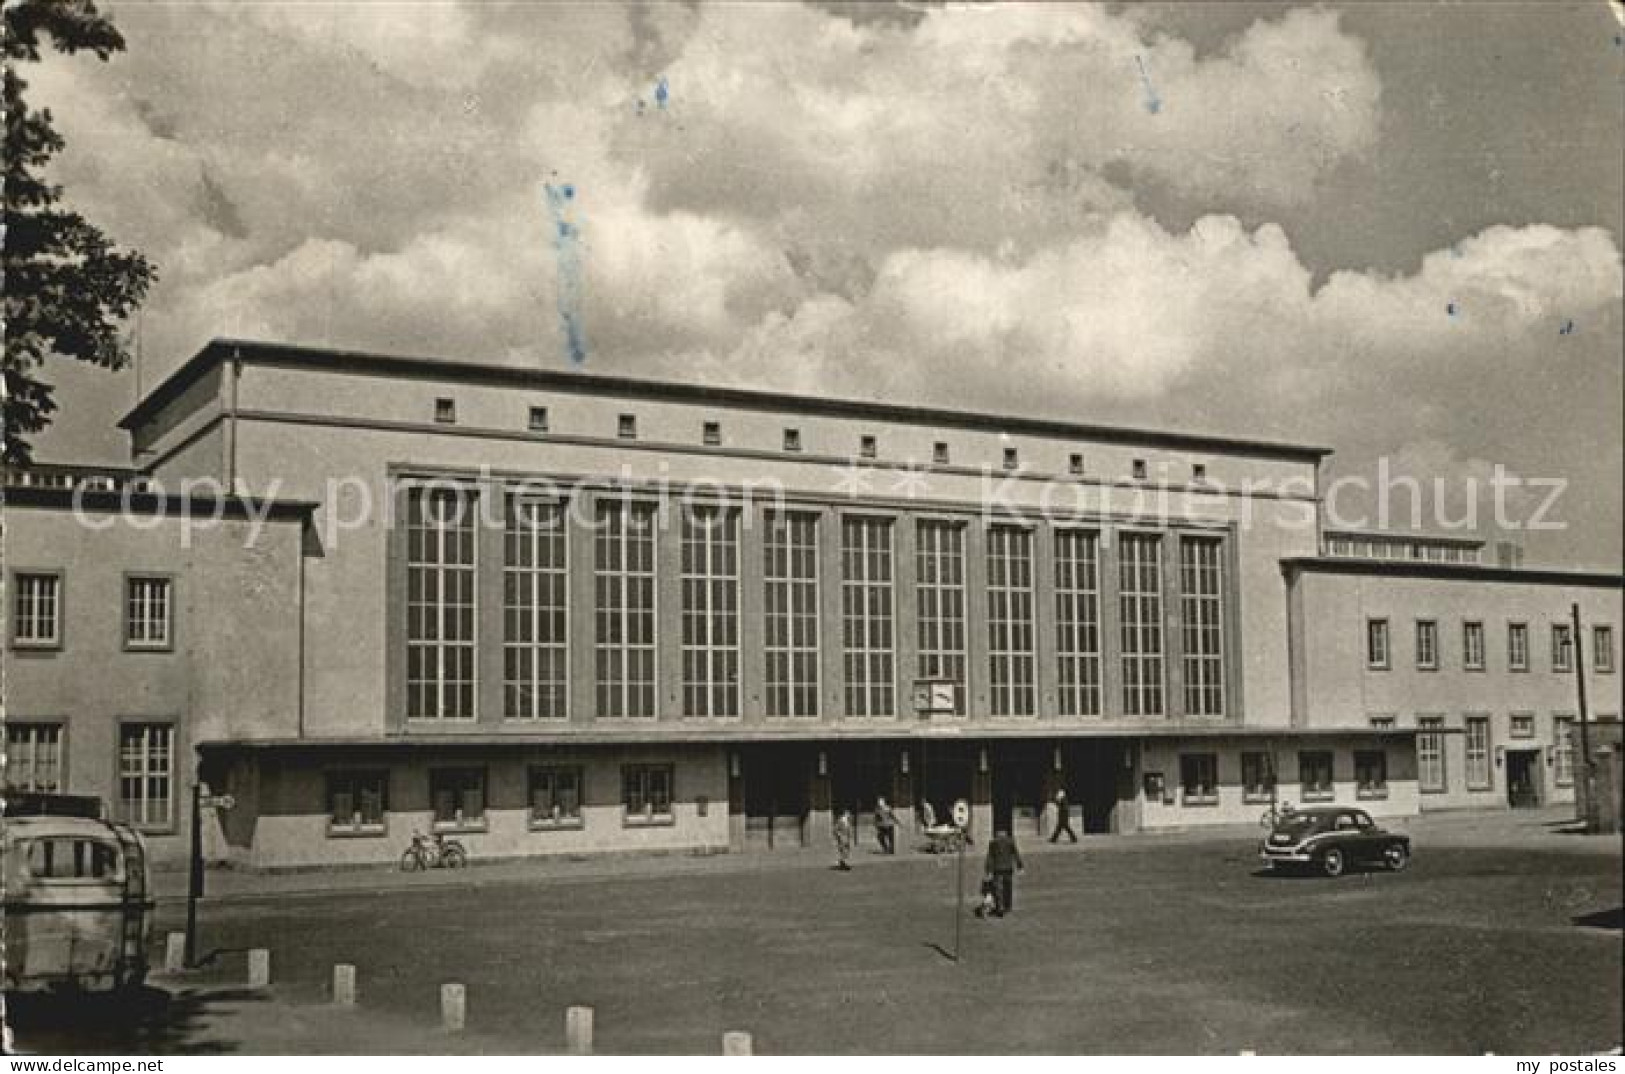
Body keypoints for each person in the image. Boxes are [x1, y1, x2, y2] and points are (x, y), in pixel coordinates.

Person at [983, 828, 1024, 916]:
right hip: (1008, 869)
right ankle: (1007, 906)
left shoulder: (993, 843)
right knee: (1008, 888)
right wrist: (1020, 866)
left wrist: (988, 870)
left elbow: (990, 857)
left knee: (999, 889)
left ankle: (1000, 907)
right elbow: (1016, 854)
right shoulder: (1010, 841)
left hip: (998, 869)